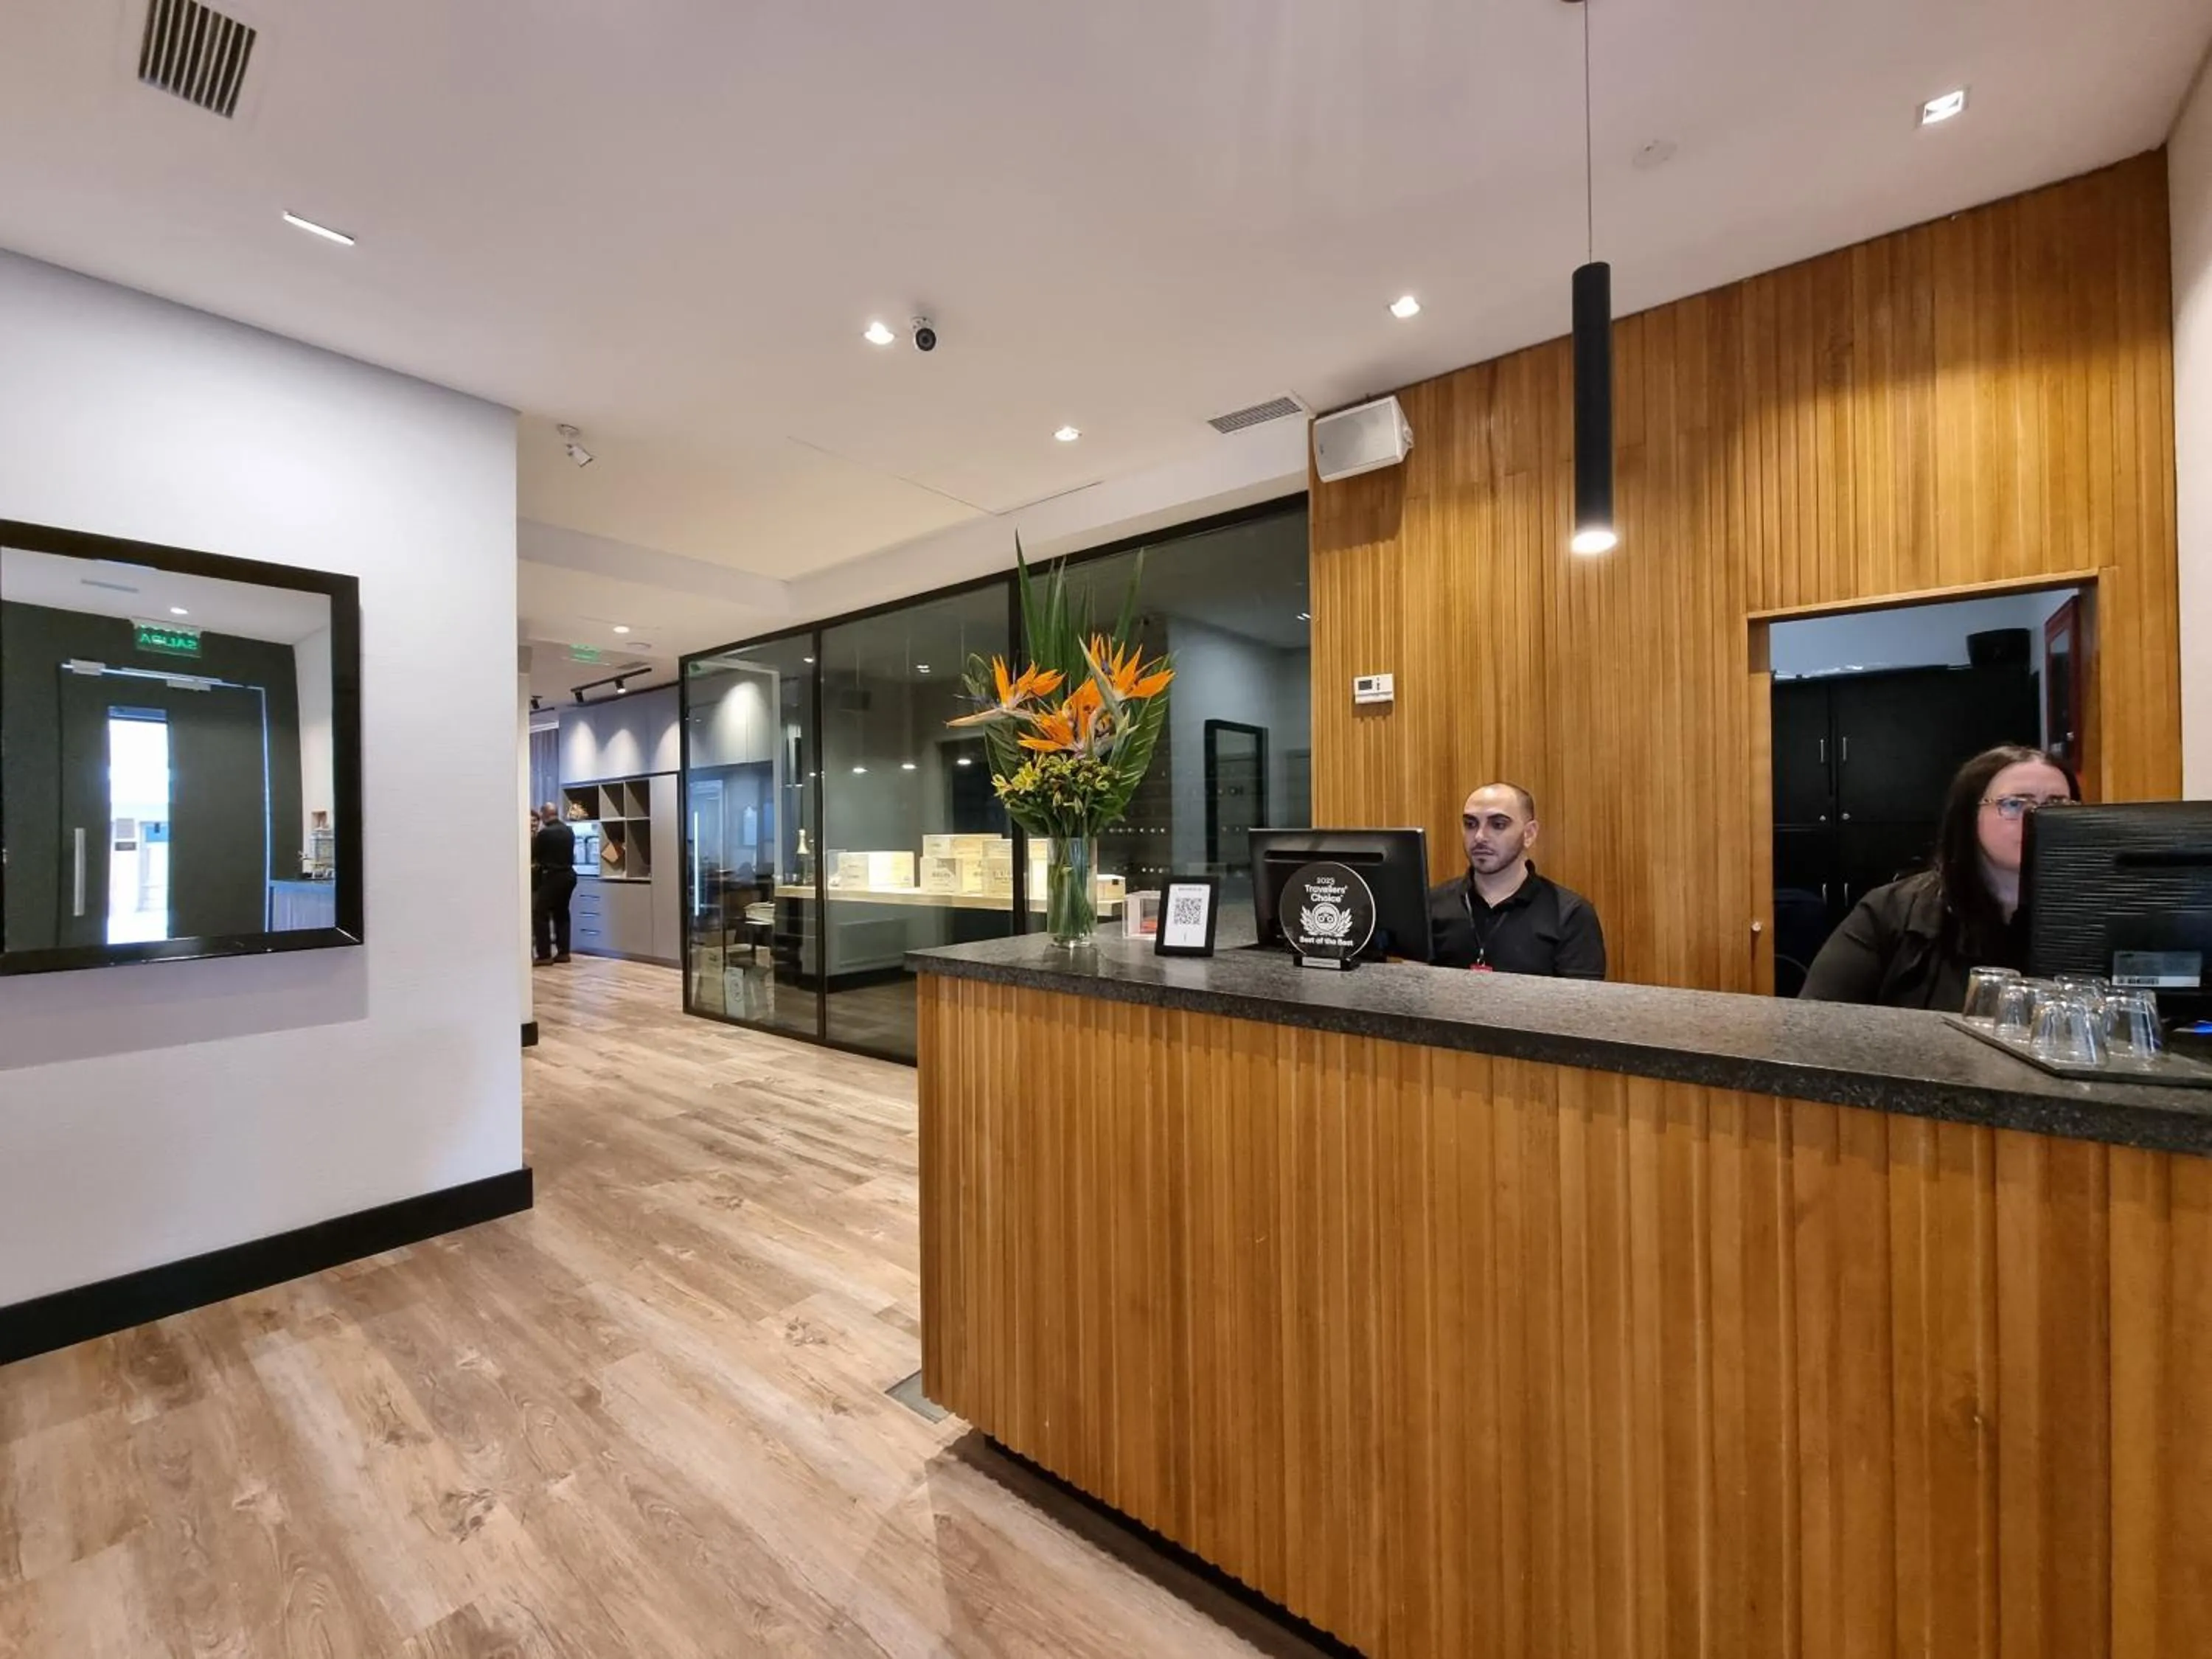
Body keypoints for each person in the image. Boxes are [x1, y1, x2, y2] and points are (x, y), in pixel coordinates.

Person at [1798, 744, 2080, 1010]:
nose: (2036, 819)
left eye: (2056, 805)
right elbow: (1817, 1019)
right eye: (2015, 805)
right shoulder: (1891, 911)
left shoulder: (2093, 914)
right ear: (1968, 815)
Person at [1427, 782, 1607, 977]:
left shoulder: (1570, 914)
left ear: (1529, 834)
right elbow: (1413, 990)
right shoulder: (1429, 907)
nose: (1479, 836)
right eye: (1471, 824)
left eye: (1498, 825)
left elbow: (1579, 996)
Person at [531, 803, 578, 965]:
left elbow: (535, 855)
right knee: (562, 913)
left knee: (540, 914)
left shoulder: (544, 834)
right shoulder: (568, 831)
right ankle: (564, 953)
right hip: (569, 875)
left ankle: (544, 955)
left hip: (553, 876)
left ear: (544, 815)